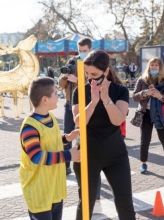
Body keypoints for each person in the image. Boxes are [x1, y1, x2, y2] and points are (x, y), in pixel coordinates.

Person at [71, 50, 135, 219]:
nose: (90, 78)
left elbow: (118, 120)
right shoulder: (80, 91)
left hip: (116, 155)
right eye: (86, 73)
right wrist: (93, 102)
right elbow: (79, 121)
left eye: (94, 74)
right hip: (87, 154)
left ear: (106, 71)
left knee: (125, 203)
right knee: (86, 204)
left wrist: (106, 100)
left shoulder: (120, 90)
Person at [19, 77, 80, 220]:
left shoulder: (50, 117)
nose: (59, 96)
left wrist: (66, 138)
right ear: (45, 100)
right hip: (38, 191)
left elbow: (49, 139)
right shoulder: (30, 126)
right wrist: (68, 155)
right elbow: (37, 156)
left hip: (54, 188)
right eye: (55, 93)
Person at [132, 57, 164, 174]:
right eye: (152, 65)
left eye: (156, 65)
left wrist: (160, 96)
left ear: (160, 67)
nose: (154, 67)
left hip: (160, 114)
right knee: (145, 140)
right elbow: (134, 97)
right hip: (145, 114)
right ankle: (143, 163)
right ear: (148, 66)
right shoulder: (142, 80)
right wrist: (145, 93)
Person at [58, 37, 92, 175]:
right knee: (68, 134)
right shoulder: (72, 61)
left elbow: (93, 83)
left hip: (86, 104)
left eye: (84, 50)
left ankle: (86, 163)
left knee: (85, 134)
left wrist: (77, 80)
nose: (82, 53)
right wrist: (66, 76)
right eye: (80, 50)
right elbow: (61, 84)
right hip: (69, 103)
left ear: (90, 49)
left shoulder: (93, 62)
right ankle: (66, 165)